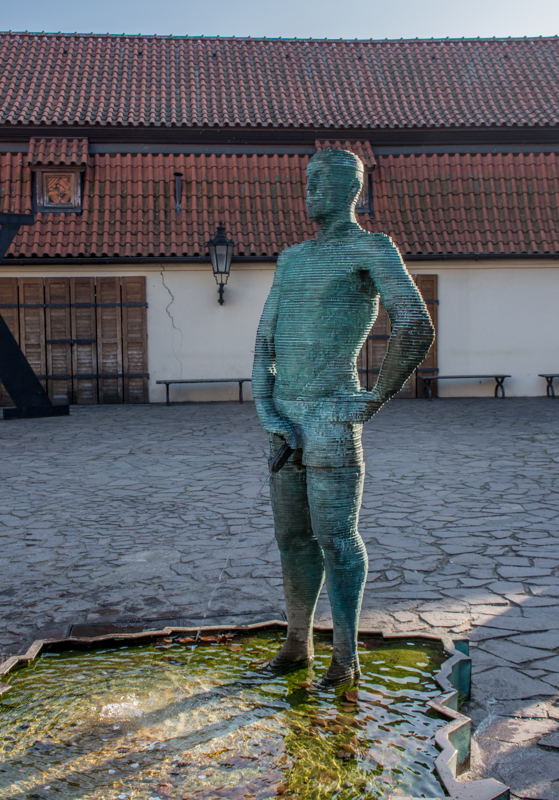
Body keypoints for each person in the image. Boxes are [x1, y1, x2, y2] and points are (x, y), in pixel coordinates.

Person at [252, 148, 434, 685]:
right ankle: (297, 643)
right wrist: (267, 410)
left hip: (332, 414)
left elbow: (415, 323)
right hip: (285, 417)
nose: (309, 192)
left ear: (352, 189)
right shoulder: (292, 259)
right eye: (306, 181)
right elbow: (264, 343)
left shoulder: (371, 249)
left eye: (321, 182)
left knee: (336, 537)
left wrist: (373, 398)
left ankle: (345, 654)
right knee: (292, 539)